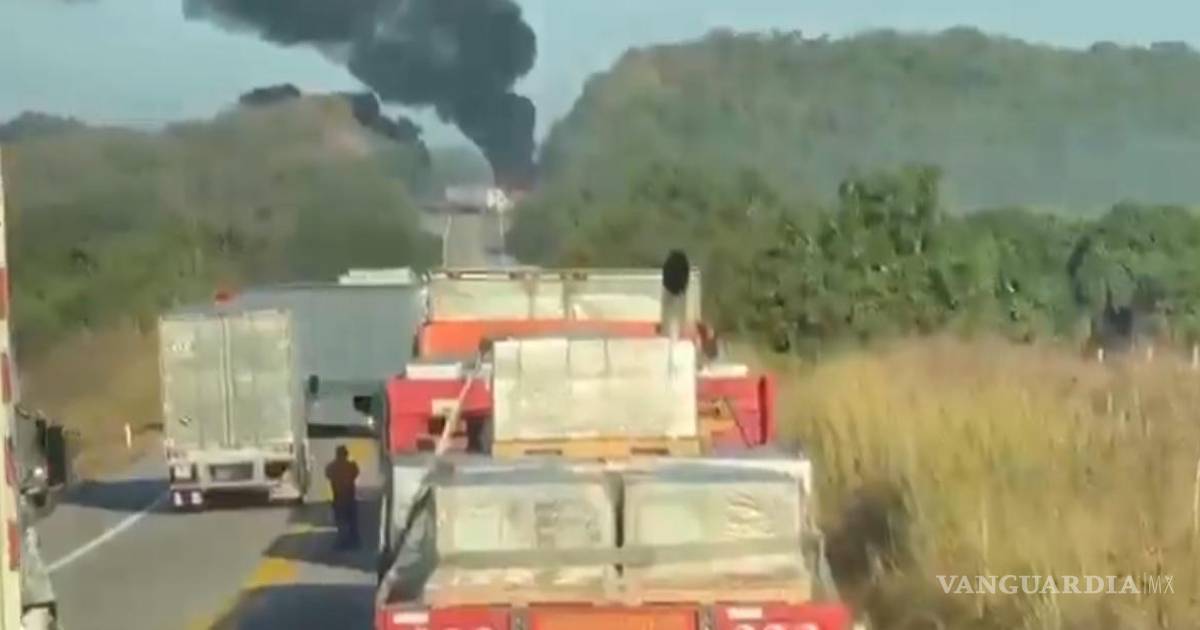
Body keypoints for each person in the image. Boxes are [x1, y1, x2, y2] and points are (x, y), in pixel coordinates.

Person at [325, 445, 360, 550]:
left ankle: (342, 543)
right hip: (350, 498)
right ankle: (354, 542)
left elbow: (328, 475)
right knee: (352, 521)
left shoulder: (331, 467)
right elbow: (355, 474)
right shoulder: (352, 466)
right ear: (346, 455)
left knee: (341, 522)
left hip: (338, 498)